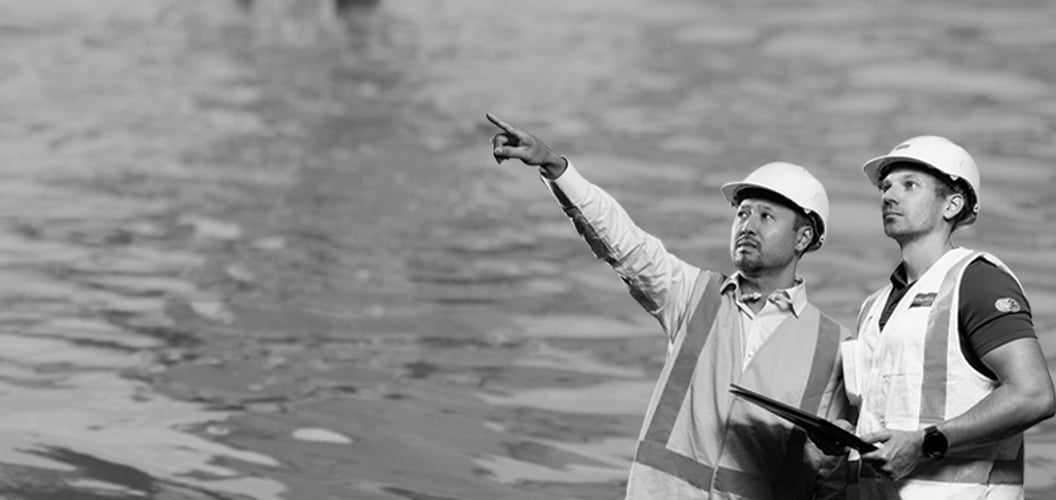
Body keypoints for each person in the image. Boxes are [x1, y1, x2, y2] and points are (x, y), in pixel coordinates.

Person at [485, 113, 854, 499]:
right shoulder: (693, 296)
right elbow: (624, 244)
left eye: (766, 216)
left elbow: (836, 477)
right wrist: (554, 167)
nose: (747, 225)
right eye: (743, 213)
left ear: (803, 238)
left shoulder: (835, 347)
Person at [844, 135, 1056, 499]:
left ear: (952, 204)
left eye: (910, 185)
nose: (889, 196)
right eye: (886, 186)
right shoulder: (874, 306)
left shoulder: (977, 281)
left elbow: (1034, 394)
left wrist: (925, 443)